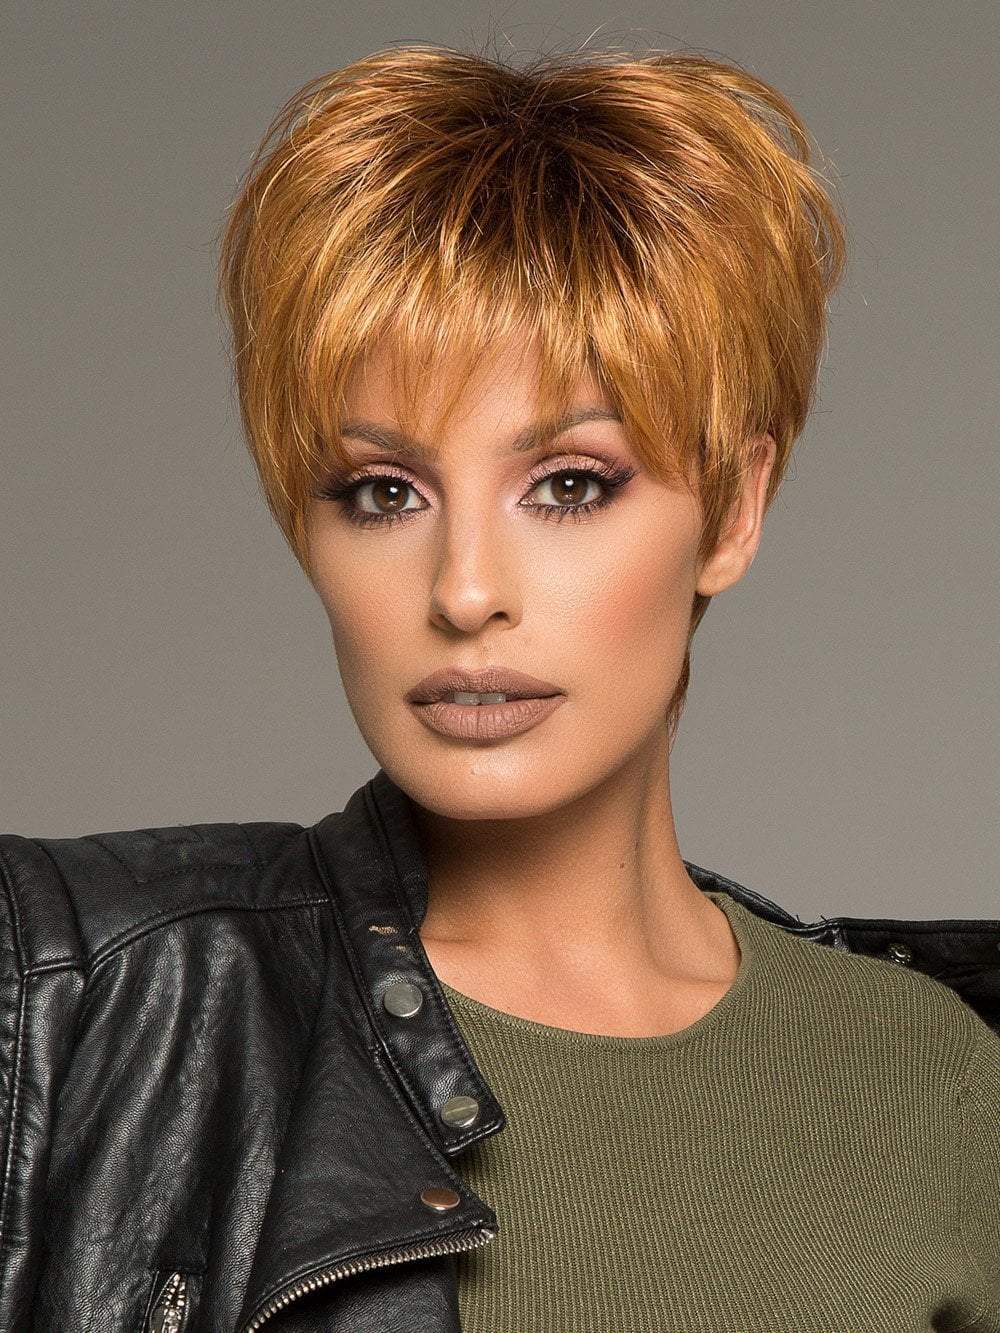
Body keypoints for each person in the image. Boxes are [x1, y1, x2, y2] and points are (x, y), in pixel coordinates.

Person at [2, 41, 997, 1333]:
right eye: (383, 492)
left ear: (735, 508)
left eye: (570, 484)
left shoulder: (930, 1077)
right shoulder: (93, 998)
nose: (465, 589)